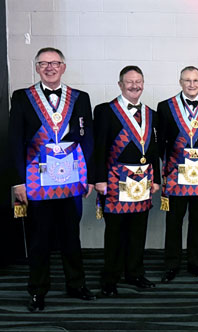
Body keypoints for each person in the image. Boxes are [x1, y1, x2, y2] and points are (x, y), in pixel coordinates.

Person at [11, 47, 98, 312]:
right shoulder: (23, 97)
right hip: (37, 180)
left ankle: (76, 284)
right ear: (37, 68)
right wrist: (17, 182)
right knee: (40, 238)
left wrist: (89, 178)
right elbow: (15, 140)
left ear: (63, 66)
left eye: (55, 63)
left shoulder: (80, 98)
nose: (50, 67)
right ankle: (37, 291)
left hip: (71, 179)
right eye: (44, 63)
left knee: (71, 235)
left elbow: (88, 138)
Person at [92, 65, 162, 296]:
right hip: (115, 180)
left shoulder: (151, 113)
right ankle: (110, 278)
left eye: (139, 81)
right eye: (130, 82)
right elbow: (99, 147)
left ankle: (134, 273)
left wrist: (157, 179)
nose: (135, 86)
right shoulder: (105, 111)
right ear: (120, 84)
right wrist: (99, 179)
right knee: (115, 232)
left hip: (142, 181)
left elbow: (153, 150)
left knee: (138, 230)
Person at [156, 66, 198, 282]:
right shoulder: (165, 107)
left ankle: (196, 263)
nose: (192, 85)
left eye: (196, 80)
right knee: (174, 221)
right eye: (187, 80)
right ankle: (171, 265)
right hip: (175, 172)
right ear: (180, 82)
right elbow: (161, 141)